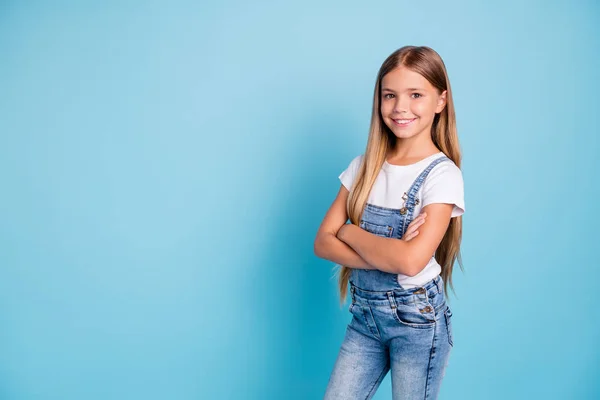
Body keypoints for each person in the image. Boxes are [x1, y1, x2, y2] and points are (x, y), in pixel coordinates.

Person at [314, 45, 465, 400]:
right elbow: (322, 242)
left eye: (416, 95)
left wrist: (349, 232)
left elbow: (412, 262)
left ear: (440, 101)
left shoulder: (441, 175)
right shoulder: (363, 166)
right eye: (390, 95)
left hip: (417, 320)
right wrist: (390, 252)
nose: (400, 107)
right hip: (365, 318)